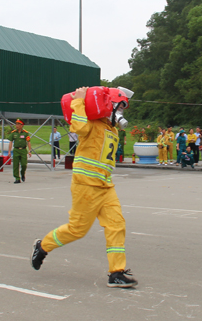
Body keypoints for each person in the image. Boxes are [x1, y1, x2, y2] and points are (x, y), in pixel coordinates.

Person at [31, 85, 137, 288]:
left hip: (105, 185)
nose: (122, 113)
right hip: (86, 184)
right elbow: (78, 128)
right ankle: (42, 246)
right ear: (109, 106)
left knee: (117, 225)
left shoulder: (112, 129)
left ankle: (116, 272)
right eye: (120, 108)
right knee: (77, 229)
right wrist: (79, 100)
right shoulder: (93, 123)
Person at [10, 119, 33, 183]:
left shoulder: (25, 133)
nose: (17, 126)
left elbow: (28, 142)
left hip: (23, 150)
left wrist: (29, 151)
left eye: (18, 124)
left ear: (22, 125)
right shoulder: (14, 133)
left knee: (24, 164)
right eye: (16, 124)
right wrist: (9, 151)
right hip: (16, 150)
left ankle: (22, 173)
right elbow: (11, 141)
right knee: (16, 165)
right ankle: (17, 178)